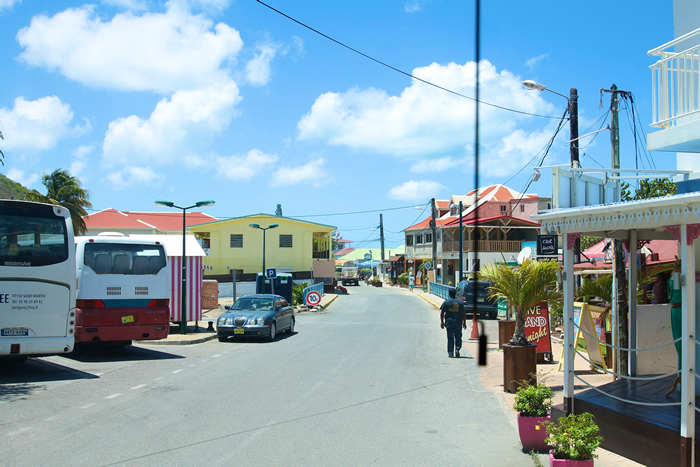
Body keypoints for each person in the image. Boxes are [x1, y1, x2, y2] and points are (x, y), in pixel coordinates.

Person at [440, 287, 467, 358]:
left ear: (449, 294)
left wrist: (442, 322)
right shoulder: (460, 302)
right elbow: (463, 313)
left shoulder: (446, 302)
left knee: (450, 337)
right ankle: (457, 348)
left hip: (449, 322)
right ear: (455, 294)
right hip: (458, 322)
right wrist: (464, 322)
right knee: (458, 336)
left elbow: (442, 313)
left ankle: (450, 352)